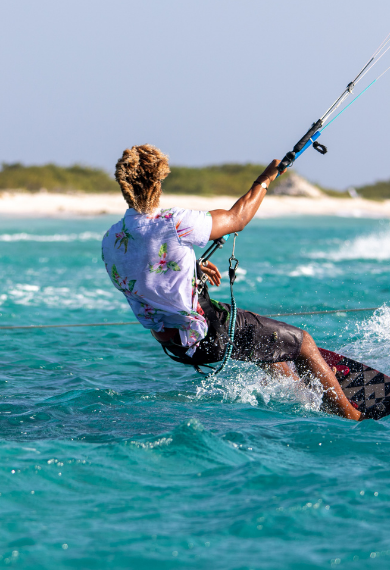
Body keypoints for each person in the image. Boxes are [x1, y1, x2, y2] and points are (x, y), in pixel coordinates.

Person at [100, 144, 362, 421]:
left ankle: (302, 399)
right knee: (305, 344)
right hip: (207, 333)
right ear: (158, 180)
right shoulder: (173, 223)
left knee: (271, 350)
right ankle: (352, 417)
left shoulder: (111, 238)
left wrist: (191, 268)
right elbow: (237, 218)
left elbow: (145, 278)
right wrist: (266, 178)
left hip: (176, 345)